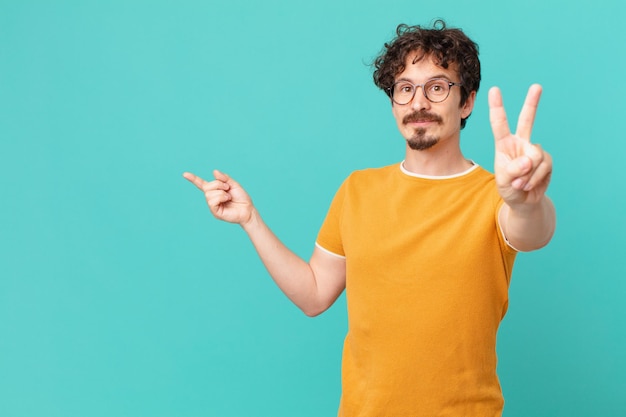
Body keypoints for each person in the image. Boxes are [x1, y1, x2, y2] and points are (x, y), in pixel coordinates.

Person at [183, 19, 555, 417]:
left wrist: (526, 201)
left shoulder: (494, 196)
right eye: (405, 89)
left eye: (437, 87)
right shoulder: (357, 190)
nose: (418, 103)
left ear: (466, 102)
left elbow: (532, 232)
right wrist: (250, 220)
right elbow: (313, 295)